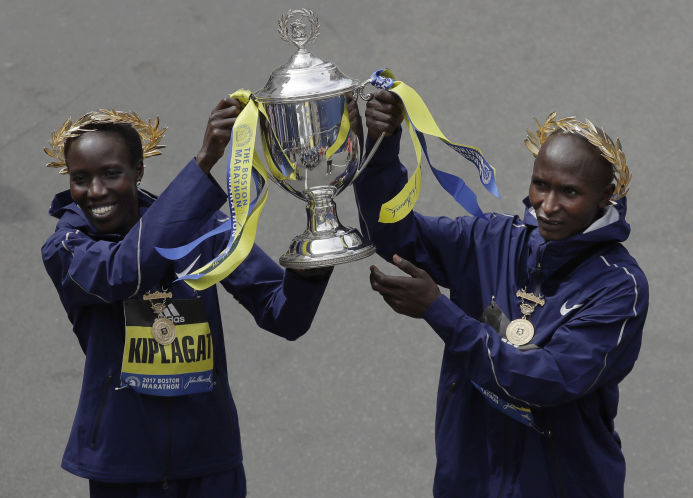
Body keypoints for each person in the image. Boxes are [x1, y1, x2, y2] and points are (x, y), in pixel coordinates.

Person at [354, 90, 648, 497]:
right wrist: (381, 148)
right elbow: (394, 234)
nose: (547, 205)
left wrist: (439, 312)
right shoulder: (489, 239)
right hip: (467, 484)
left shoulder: (618, 288)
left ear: (605, 197)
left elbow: (546, 380)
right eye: (540, 185)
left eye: (570, 192)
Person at [41, 97, 332, 497]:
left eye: (111, 173)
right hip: (122, 464)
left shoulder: (200, 229)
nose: (95, 191)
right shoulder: (67, 249)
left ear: (138, 170)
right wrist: (204, 161)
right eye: (79, 178)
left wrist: (315, 256)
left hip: (208, 459)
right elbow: (124, 273)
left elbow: (283, 315)